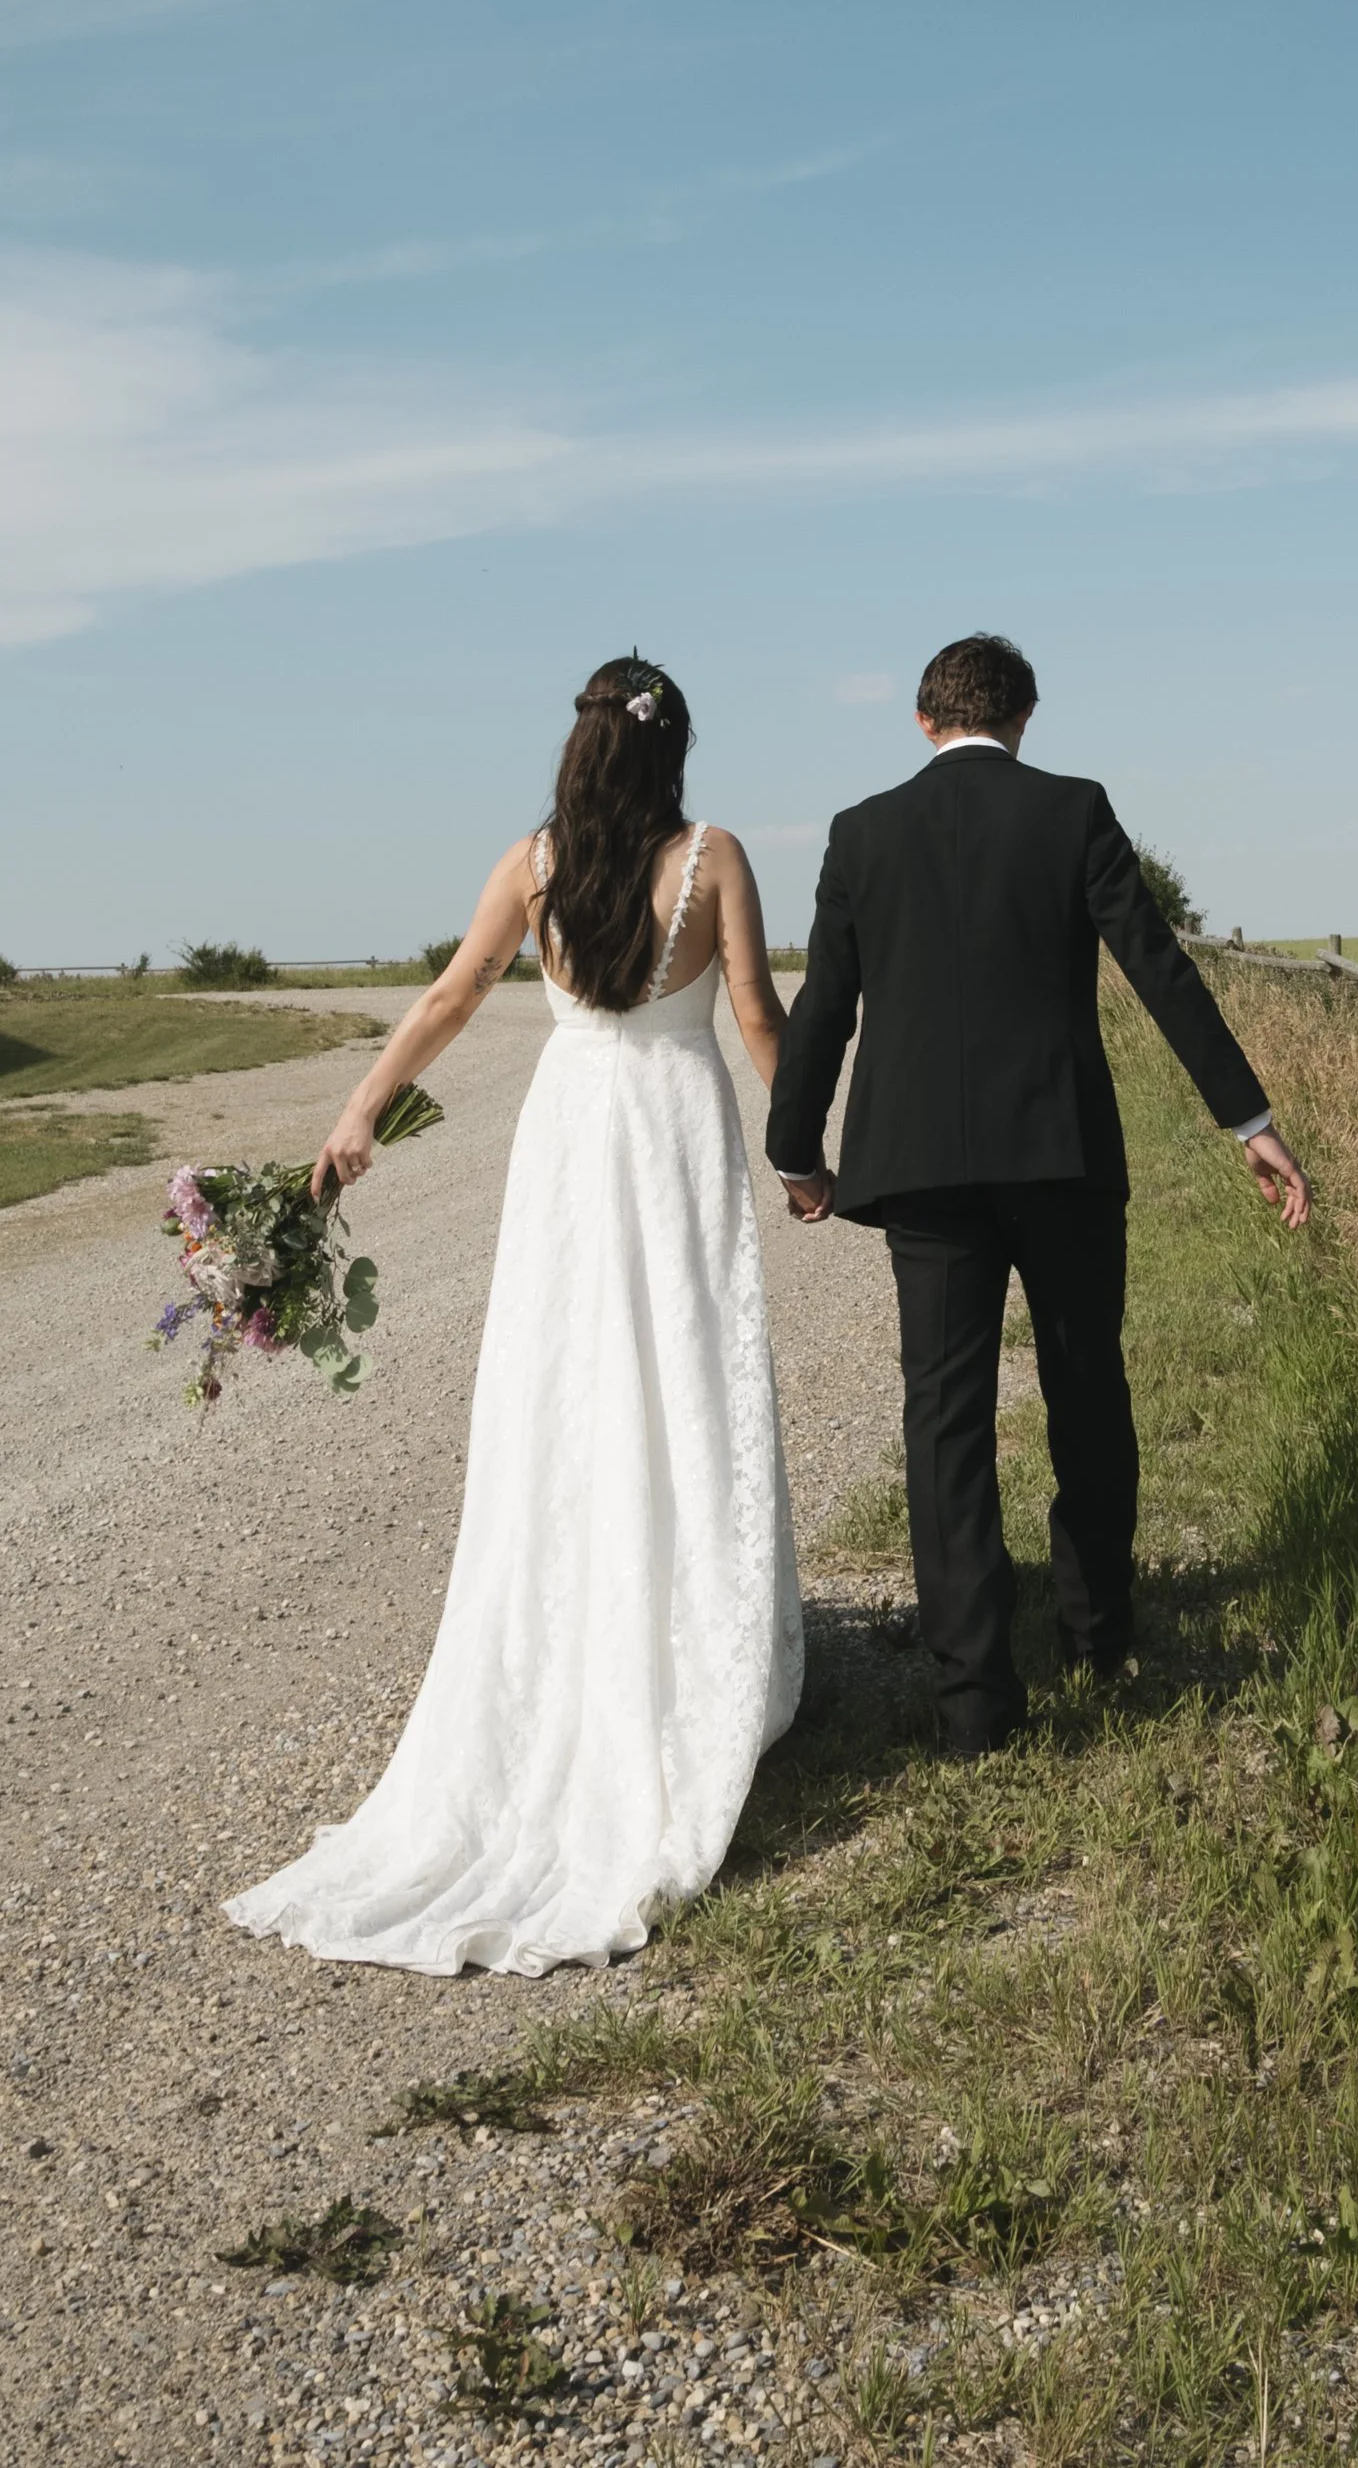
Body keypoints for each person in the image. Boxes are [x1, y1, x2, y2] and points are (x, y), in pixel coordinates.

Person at [226, 654, 804, 1975]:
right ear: (671, 754)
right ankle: (680, 1655)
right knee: (683, 1380)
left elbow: (449, 998)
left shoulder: (532, 864)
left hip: (573, 1136)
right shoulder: (713, 861)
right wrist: (812, 1150)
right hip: (667, 1131)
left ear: (580, 751)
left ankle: (584, 1648)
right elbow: (761, 1019)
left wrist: (358, 1107)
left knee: (572, 1391)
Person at [765, 631, 1309, 1759]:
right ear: (1022, 717)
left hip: (916, 1167)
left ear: (923, 720)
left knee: (944, 1414)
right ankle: (1099, 1638)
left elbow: (825, 1005)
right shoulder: (1071, 810)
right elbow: (1161, 966)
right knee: (1084, 1385)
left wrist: (795, 1147)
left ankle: (972, 1701)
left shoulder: (861, 832)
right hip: (1060, 1153)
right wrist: (1245, 1118)